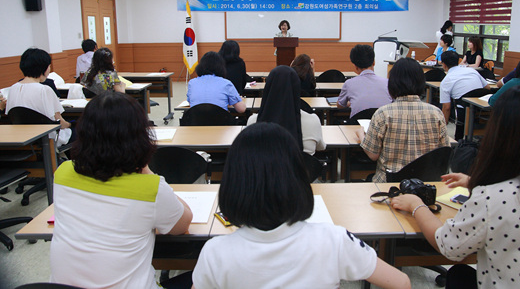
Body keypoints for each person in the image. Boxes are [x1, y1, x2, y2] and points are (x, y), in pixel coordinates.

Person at [192, 122, 411, 289]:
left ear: (233, 181)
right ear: (296, 176)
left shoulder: (215, 254)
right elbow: (402, 283)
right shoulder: (333, 240)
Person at [391, 85, 520, 288]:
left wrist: (416, 205)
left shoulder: (493, 197)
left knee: (459, 274)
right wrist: (474, 182)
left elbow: (448, 245)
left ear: (501, 135)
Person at [50, 92, 193, 289]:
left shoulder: (63, 174)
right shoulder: (150, 189)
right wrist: (146, 169)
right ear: (139, 136)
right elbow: (182, 225)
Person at [360, 58, 449, 182]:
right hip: (425, 185)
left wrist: (362, 137)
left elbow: (373, 155)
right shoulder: (436, 113)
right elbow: (444, 153)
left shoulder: (383, 113)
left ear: (392, 83)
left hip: (390, 185)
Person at [247, 66, 325, 155]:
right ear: (297, 89)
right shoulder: (312, 121)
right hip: (299, 168)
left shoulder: (253, 122)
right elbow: (321, 147)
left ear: (268, 88)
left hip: (264, 169)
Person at [6, 48, 72, 146]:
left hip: (23, 140)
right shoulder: (44, 90)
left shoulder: (12, 88)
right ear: (44, 68)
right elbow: (60, 123)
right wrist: (72, 124)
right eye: (49, 66)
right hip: (46, 140)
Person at [439, 51, 489, 140]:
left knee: (459, 107)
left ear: (444, 64)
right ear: (458, 61)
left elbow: (446, 107)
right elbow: (487, 87)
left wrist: (442, 127)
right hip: (485, 110)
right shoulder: (471, 71)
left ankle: (459, 142)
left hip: (464, 112)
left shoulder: (446, 80)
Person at [337, 44, 392, 118]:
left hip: (357, 126)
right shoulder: (388, 83)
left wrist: (349, 103)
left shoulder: (349, 84)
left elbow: (340, 105)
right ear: (374, 62)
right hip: (383, 126)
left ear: (355, 66)